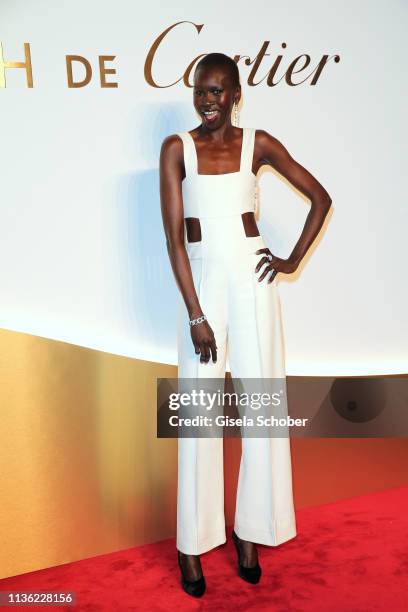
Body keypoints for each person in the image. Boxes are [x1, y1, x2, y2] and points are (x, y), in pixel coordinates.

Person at [159, 52, 332, 598]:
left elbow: (320, 197)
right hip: (203, 286)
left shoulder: (258, 143)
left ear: (236, 93)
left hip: (254, 282)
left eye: (217, 91)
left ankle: (251, 531)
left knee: (261, 409)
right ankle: (192, 543)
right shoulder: (176, 149)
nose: (207, 102)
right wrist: (195, 313)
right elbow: (174, 239)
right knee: (200, 417)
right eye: (200, 91)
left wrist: (290, 260)